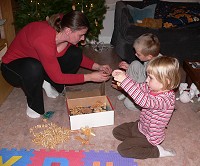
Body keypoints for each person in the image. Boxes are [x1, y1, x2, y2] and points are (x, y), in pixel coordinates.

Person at [1, 11, 112, 118]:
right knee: (34, 67)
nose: (83, 39)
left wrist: (98, 66)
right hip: (12, 67)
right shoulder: (43, 39)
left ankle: (45, 81)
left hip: (40, 61)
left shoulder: (65, 26)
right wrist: (90, 77)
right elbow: (58, 77)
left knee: (75, 53)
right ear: (68, 31)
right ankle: (33, 105)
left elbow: (80, 58)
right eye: (81, 35)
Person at [112, 56, 181, 159]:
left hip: (150, 136)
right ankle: (135, 141)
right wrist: (124, 79)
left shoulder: (166, 99)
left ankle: (157, 152)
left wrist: (125, 81)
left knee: (123, 150)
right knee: (117, 132)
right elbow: (138, 87)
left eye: (151, 78)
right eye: (147, 76)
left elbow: (144, 101)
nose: (147, 80)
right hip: (141, 126)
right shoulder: (152, 86)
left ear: (166, 81)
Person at [113, 33, 161, 111]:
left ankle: (146, 106)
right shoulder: (150, 58)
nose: (135, 54)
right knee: (134, 63)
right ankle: (127, 89)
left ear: (149, 56)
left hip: (150, 86)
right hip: (145, 76)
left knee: (128, 104)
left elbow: (153, 87)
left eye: (138, 54)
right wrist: (129, 67)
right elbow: (143, 70)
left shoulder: (158, 67)